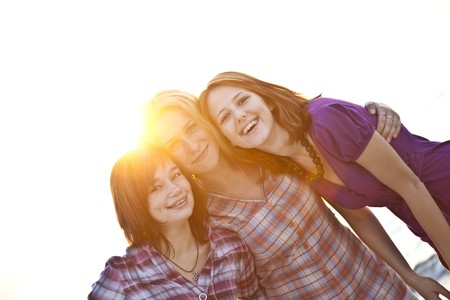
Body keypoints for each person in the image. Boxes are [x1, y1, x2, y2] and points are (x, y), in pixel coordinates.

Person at [141, 90, 446, 299]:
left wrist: (371, 114)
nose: (191, 146)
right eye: (174, 144)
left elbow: (354, 209)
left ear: (208, 121)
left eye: (192, 128)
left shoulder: (269, 152)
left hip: (385, 289)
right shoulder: (201, 219)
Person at [199, 71, 450, 271]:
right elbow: (359, 219)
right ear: (227, 140)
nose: (240, 115)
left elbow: (411, 186)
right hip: (428, 224)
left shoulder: (325, 120)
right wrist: (410, 276)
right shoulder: (290, 169)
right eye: (225, 117)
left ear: (266, 99)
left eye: (243, 100)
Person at [88, 147, 267, 299]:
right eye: (156, 187)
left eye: (175, 175)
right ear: (135, 204)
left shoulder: (230, 246)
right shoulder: (122, 277)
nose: (175, 189)